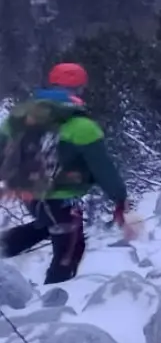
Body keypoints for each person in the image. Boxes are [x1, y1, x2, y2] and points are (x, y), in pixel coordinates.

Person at [0, 63, 129, 285]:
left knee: (46, 228)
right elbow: (102, 167)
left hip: (27, 192)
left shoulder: (19, 117)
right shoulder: (82, 126)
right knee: (70, 250)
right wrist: (119, 197)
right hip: (60, 194)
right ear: (79, 88)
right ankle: (53, 299)